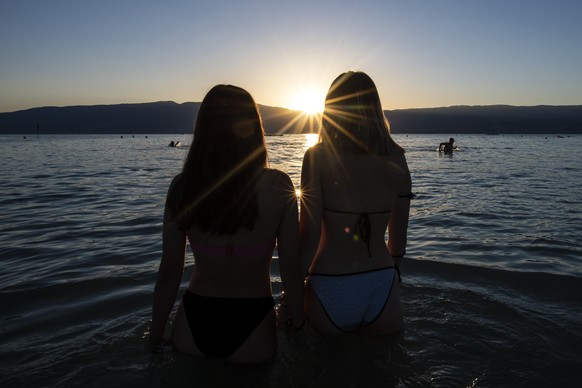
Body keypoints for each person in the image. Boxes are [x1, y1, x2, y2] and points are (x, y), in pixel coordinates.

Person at [150, 85, 304, 364]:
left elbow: (169, 273)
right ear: (253, 129)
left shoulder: (182, 188)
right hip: (254, 322)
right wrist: (301, 329)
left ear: (203, 130)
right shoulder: (279, 185)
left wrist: (153, 339)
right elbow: (292, 271)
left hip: (194, 320)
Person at [299, 71, 413, 335]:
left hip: (329, 283)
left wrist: (292, 291)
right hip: (381, 282)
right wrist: (391, 275)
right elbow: (398, 242)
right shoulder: (398, 159)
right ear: (375, 108)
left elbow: (309, 238)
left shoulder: (317, 157)